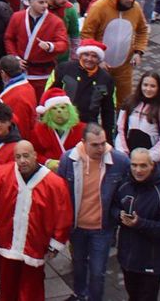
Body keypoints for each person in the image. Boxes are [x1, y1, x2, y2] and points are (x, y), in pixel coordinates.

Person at [0, 140, 73, 301]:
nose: (22, 161)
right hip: (6, 242)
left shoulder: (55, 184)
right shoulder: (3, 174)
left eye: (26, 156)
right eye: (18, 157)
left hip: (35, 247)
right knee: (7, 288)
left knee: (32, 290)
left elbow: (63, 216)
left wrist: (55, 244)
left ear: (35, 156)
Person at [56, 123, 127, 301]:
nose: (100, 148)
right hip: (77, 227)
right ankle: (80, 294)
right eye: (95, 145)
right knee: (79, 264)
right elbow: (58, 192)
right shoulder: (68, 160)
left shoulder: (118, 161)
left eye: (103, 143)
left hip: (102, 228)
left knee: (97, 272)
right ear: (83, 143)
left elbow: (143, 170)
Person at [112, 148, 160, 301]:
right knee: (133, 296)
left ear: (152, 165)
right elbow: (113, 207)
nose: (138, 170)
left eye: (143, 166)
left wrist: (139, 223)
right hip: (127, 258)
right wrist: (118, 215)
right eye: (134, 165)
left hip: (150, 261)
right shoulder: (124, 185)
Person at [79, 0, 148, 108]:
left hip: (124, 68)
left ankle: (120, 127)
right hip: (99, 68)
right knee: (95, 102)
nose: (131, 0)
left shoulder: (135, 8)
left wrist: (138, 52)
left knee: (125, 103)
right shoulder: (99, 8)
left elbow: (142, 30)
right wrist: (97, 59)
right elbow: (87, 35)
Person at [6, 0, 68, 94]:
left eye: (46, 2)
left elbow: (63, 44)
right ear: (30, 1)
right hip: (21, 71)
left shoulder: (56, 21)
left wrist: (50, 46)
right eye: (41, 2)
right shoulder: (17, 17)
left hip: (44, 73)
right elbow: (9, 38)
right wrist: (15, 58)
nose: (45, 5)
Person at [53, 40, 117, 139]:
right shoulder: (64, 69)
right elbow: (50, 93)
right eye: (86, 55)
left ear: (99, 59)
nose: (89, 59)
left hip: (88, 127)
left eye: (94, 56)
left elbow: (108, 110)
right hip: (62, 122)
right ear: (80, 55)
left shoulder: (106, 79)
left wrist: (108, 137)